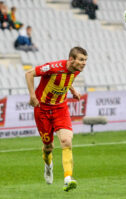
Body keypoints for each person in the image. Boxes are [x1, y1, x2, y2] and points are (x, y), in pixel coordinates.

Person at [25, 47, 88, 192]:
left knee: (66, 141)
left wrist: (72, 90)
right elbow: (29, 74)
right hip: (42, 110)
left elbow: (66, 79)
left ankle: (67, 178)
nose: (84, 63)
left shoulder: (76, 70)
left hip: (60, 109)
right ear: (71, 60)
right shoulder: (53, 67)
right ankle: (48, 166)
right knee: (48, 148)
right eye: (81, 60)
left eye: (85, 60)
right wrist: (32, 96)